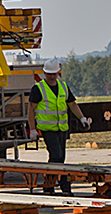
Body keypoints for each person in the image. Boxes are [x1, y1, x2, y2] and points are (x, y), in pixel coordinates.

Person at [28, 60, 91, 195]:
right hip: (47, 129)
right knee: (57, 155)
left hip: (62, 128)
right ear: (45, 73)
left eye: (54, 74)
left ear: (58, 72)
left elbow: (72, 104)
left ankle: (50, 186)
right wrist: (33, 129)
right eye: (49, 74)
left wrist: (82, 118)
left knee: (59, 158)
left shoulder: (63, 86)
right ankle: (64, 186)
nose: (52, 76)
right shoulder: (38, 88)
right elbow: (31, 109)